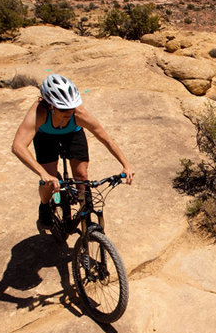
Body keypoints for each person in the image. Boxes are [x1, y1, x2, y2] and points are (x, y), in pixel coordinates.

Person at [12, 74, 134, 231]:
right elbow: (18, 146)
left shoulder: (78, 114)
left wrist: (126, 165)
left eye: (71, 106)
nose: (69, 111)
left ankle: (86, 213)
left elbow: (107, 140)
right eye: (63, 109)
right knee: (50, 179)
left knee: (82, 176)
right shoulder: (39, 113)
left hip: (73, 134)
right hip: (45, 137)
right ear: (50, 105)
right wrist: (43, 174)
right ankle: (44, 207)